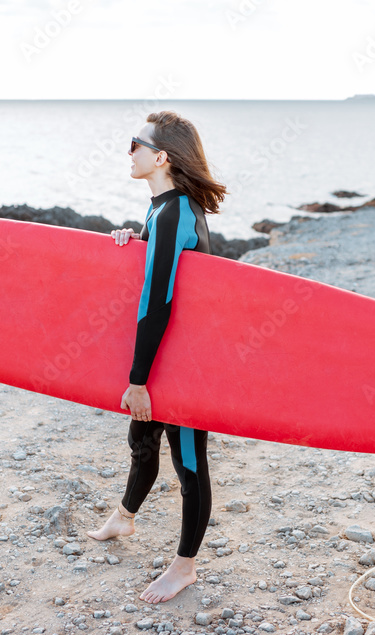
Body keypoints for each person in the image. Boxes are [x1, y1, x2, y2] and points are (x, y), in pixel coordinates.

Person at [86, 111, 227, 604]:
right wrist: (133, 242)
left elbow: (159, 300)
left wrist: (138, 380)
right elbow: (162, 272)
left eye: (135, 144)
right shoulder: (165, 209)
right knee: (140, 439)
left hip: (182, 365)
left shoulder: (173, 213)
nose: (129, 152)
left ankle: (184, 567)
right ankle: (125, 518)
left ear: (161, 156)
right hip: (166, 354)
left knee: (189, 463)